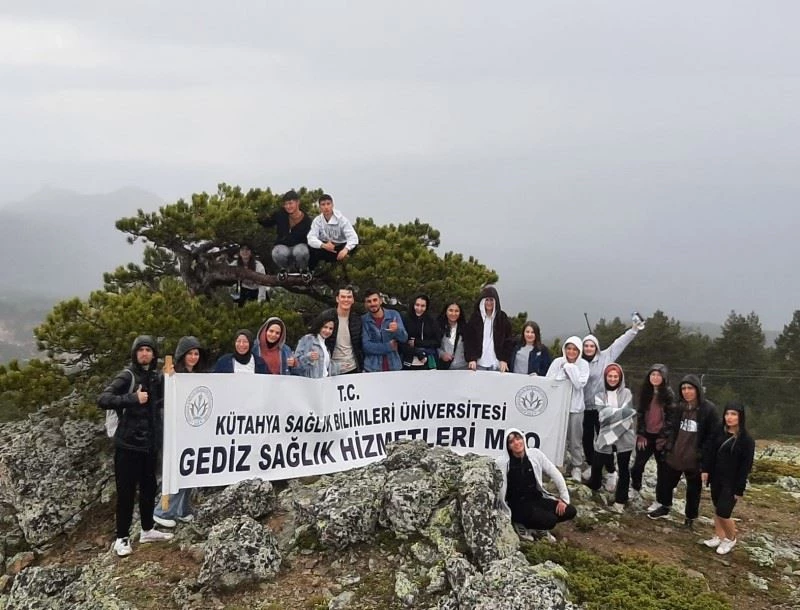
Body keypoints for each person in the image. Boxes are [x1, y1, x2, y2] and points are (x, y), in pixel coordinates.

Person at [98, 335, 174, 557]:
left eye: (148, 350)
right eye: (140, 350)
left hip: (149, 446)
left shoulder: (154, 377)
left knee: (149, 489)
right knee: (126, 493)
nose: (144, 354)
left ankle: (147, 529)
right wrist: (131, 398)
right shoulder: (127, 376)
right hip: (127, 446)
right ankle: (121, 538)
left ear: (154, 354)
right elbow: (103, 399)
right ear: (134, 353)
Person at [648, 374, 719, 527]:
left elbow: (713, 436)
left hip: (694, 458)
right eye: (683, 388)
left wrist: (703, 457)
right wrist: (667, 446)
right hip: (675, 454)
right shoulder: (678, 407)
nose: (687, 391)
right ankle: (665, 506)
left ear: (697, 390)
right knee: (665, 484)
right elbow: (672, 428)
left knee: (693, 491)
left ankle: (690, 518)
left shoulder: (709, 410)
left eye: (690, 388)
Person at [154, 336, 208, 527]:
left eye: (196, 353)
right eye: (190, 354)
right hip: (173, 428)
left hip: (192, 429)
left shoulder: (199, 375)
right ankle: (163, 511)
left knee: (190, 467)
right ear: (182, 355)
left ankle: (183, 509)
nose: (193, 357)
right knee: (175, 469)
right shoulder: (172, 374)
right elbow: (160, 399)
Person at [581, 322, 641, 483]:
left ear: (596, 347)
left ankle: (610, 471)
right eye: (585, 345)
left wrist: (634, 330)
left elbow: (620, 342)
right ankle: (591, 464)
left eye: (591, 345)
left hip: (604, 406)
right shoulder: (579, 363)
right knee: (587, 437)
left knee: (606, 438)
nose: (588, 348)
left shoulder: (606, 356)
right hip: (585, 406)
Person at [497, 428, 577, 541]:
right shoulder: (503, 462)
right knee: (550, 520)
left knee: (570, 511)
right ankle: (520, 523)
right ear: (508, 446)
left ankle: (538, 526)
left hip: (536, 499)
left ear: (523, 439)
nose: (516, 443)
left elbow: (555, 473)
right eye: (511, 441)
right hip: (517, 505)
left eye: (518, 438)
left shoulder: (535, 455)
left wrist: (564, 499)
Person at [702, 403, 755, 555]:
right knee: (717, 508)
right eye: (727, 414)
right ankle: (719, 536)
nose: (729, 417)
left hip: (732, 482)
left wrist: (740, 488)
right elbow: (710, 452)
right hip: (716, 477)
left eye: (733, 414)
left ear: (740, 417)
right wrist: (705, 470)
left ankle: (731, 538)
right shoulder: (719, 433)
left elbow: (746, 466)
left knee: (724, 512)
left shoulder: (746, 440)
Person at [586, 363, 636, 512]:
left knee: (624, 469)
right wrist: (620, 413)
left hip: (624, 435)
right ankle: (595, 487)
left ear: (620, 378)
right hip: (605, 435)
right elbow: (602, 416)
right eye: (610, 376)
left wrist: (613, 413)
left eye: (616, 376)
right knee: (597, 464)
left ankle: (621, 500)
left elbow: (628, 413)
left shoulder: (626, 393)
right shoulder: (600, 395)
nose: (613, 379)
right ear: (605, 377)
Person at [631, 364, 676, 513]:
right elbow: (640, 413)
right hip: (646, 435)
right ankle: (635, 488)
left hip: (661, 437)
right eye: (652, 375)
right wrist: (641, 434)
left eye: (658, 375)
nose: (655, 378)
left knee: (663, 471)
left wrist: (664, 437)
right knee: (637, 465)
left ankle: (661, 501)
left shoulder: (668, 394)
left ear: (664, 378)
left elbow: (671, 418)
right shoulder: (645, 392)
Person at [546, 336, 590, 482]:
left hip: (575, 408)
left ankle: (577, 466)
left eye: (574, 349)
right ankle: (559, 465)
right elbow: (550, 380)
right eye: (568, 348)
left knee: (575, 439)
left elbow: (579, 383)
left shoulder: (583, 364)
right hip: (559, 408)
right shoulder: (557, 362)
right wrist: (563, 370)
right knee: (559, 439)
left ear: (579, 351)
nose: (571, 352)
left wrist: (570, 368)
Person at [258, 189, 312, 274]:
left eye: (290, 203)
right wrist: (258, 216)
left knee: (301, 251)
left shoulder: (306, 220)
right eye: (286, 204)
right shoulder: (280, 214)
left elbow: (311, 237)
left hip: (299, 247)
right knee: (277, 252)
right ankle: (285, 269)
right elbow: (268, 223)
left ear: (298, 203)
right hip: (283, 247)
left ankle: (303, 269)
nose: (288, 206)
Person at [463, 285, 514, 372]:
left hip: (497, 364)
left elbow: (508, 341)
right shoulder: (475, 318)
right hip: (478, 364)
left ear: (496, 302)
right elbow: (469, 340)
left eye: (491, 300)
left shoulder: (502, 318)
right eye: (487, 300)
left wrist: (504, 359)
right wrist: (471, 358)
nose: (489, 303)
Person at [306, 193, 359, 270]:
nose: (326, 207)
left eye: (328, 204)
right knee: (310, 248)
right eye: (323, 205)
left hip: (341, 246)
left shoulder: (341, 220)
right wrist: (323, 245)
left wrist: (346, 249)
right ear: (320, 207)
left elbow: (353, 237)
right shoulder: (317, 221)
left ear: (332, 205)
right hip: (327, 246)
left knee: (353, 249)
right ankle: (311, 273)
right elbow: (311, 238)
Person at [361, 289, 408, 372]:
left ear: (381, 301)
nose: (372, 304)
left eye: (375, 300)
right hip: (372, 368)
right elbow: (366, 346)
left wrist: (396, 330)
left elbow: (404, 338)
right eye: (369, 301)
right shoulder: (364, 320)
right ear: (366, 304)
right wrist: (389, 346)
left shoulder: (394, 314)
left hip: (394, 366)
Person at [321, 285, 363, 374]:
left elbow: (360, 346)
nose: (346, 300)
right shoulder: (326, 317)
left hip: (353, 368)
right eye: (343, 297)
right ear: (337, 299)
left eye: (349, 297)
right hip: (331, 369)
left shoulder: (357, 319)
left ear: (353, 300)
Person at [401, 293, 442, 370]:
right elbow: (402, 341)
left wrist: (417, 342)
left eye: (423, 306)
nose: (419, 308)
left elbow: (437, 342)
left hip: (428, 360)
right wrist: (416, 352)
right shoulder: (405, 319)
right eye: (417, 305)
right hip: (409, 359)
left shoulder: (432, 321)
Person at [294, 313, 338, 378]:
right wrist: (308, 358)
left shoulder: (326, 345)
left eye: (330, 328)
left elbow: (325, 369)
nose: (327, 331)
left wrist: (339, 367)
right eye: (325, 327)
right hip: (310, 384)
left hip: (324, 384)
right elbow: (295, 364)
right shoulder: (308, 339)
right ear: (319, 326)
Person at [437, 301, 468, 371]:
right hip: (443, 368)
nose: (453, 313)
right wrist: (441, 354)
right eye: (450, 310)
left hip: (463, 368)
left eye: (456, 311)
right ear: (446, 311)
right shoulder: (438, 327)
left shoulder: (465, 328)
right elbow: (433, 345)